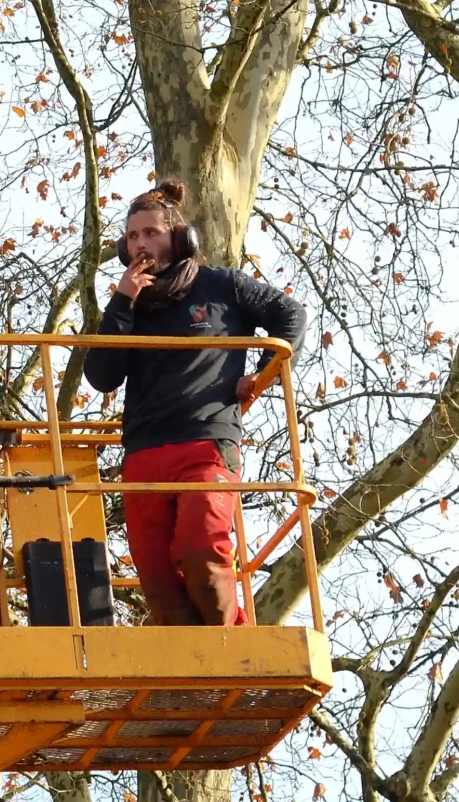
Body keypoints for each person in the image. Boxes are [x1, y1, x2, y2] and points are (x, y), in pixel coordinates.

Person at [81, 179, 305, 627]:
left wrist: (260, 375)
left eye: (151, 233)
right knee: (159, 584)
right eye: (132, 237)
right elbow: (101, 374)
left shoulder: (221, 285)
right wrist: (124, 300)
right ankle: (195, 674)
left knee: (201, 550)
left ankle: (236, 648)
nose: (141, 244)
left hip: (206, 442)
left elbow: (290, 315)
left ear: (180, 239)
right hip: (143, 452)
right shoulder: (128, 308)